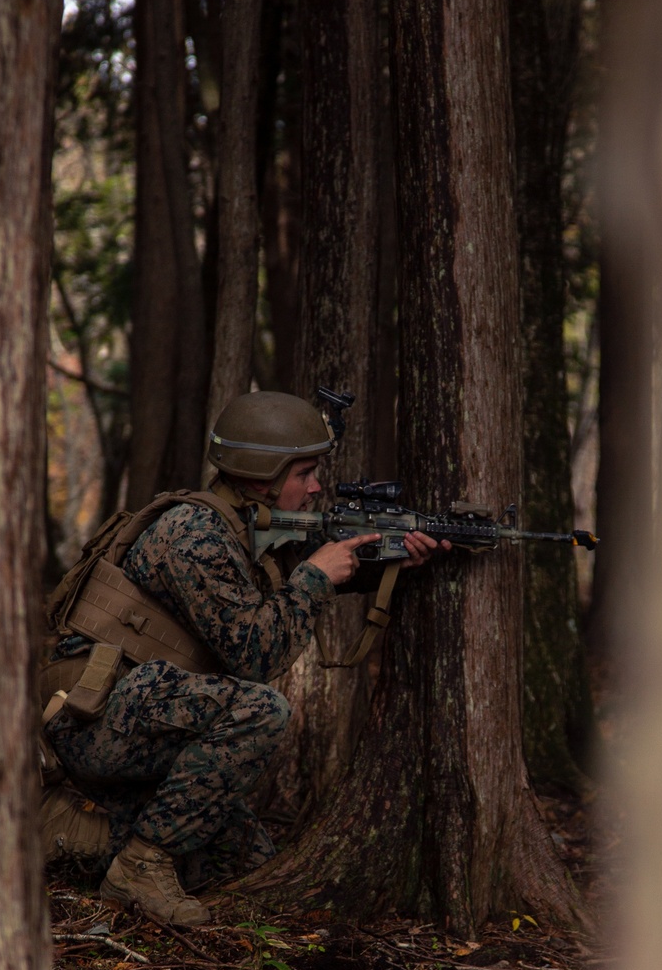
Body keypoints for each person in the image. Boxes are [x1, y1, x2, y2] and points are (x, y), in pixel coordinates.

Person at [39, 391, 445, 926]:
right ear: (262, 474)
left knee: (249, 863)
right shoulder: (194, 535)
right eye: (305, 473)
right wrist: (316, 577)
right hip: (95, 719)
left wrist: (390, 556)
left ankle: (94, 842)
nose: (317, 486)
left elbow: (282, 589)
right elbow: (257, 654)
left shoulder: (245, 525)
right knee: (260, 709)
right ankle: (139, 868)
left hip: (137, 716)